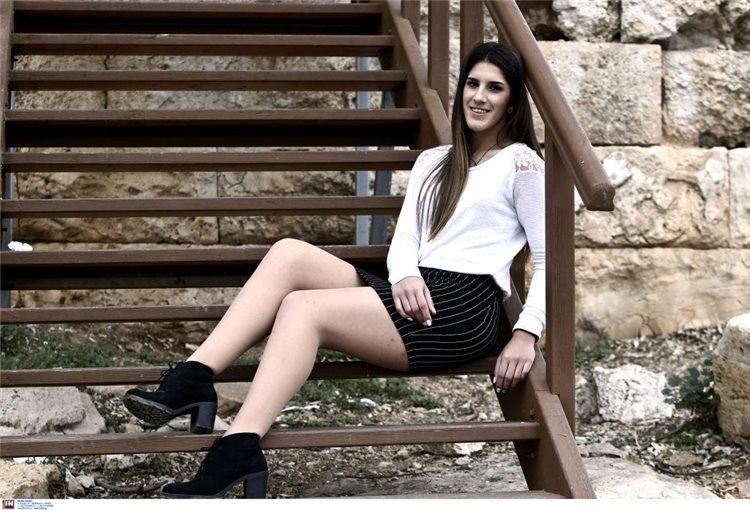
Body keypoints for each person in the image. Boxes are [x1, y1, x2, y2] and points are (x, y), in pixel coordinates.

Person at [122, 40, 545, 499]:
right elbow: (405, 239)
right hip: (418, 288)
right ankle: (195, 376)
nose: (479, 96)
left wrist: (526, 333)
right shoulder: (434, 161)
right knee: (289, 253)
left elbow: (548, 260)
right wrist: (405, 274)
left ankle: (238, 447)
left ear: (512, 101)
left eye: (494, 88)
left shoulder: (521, 163)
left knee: (303, 308)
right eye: (472, 84)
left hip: (463, 308)